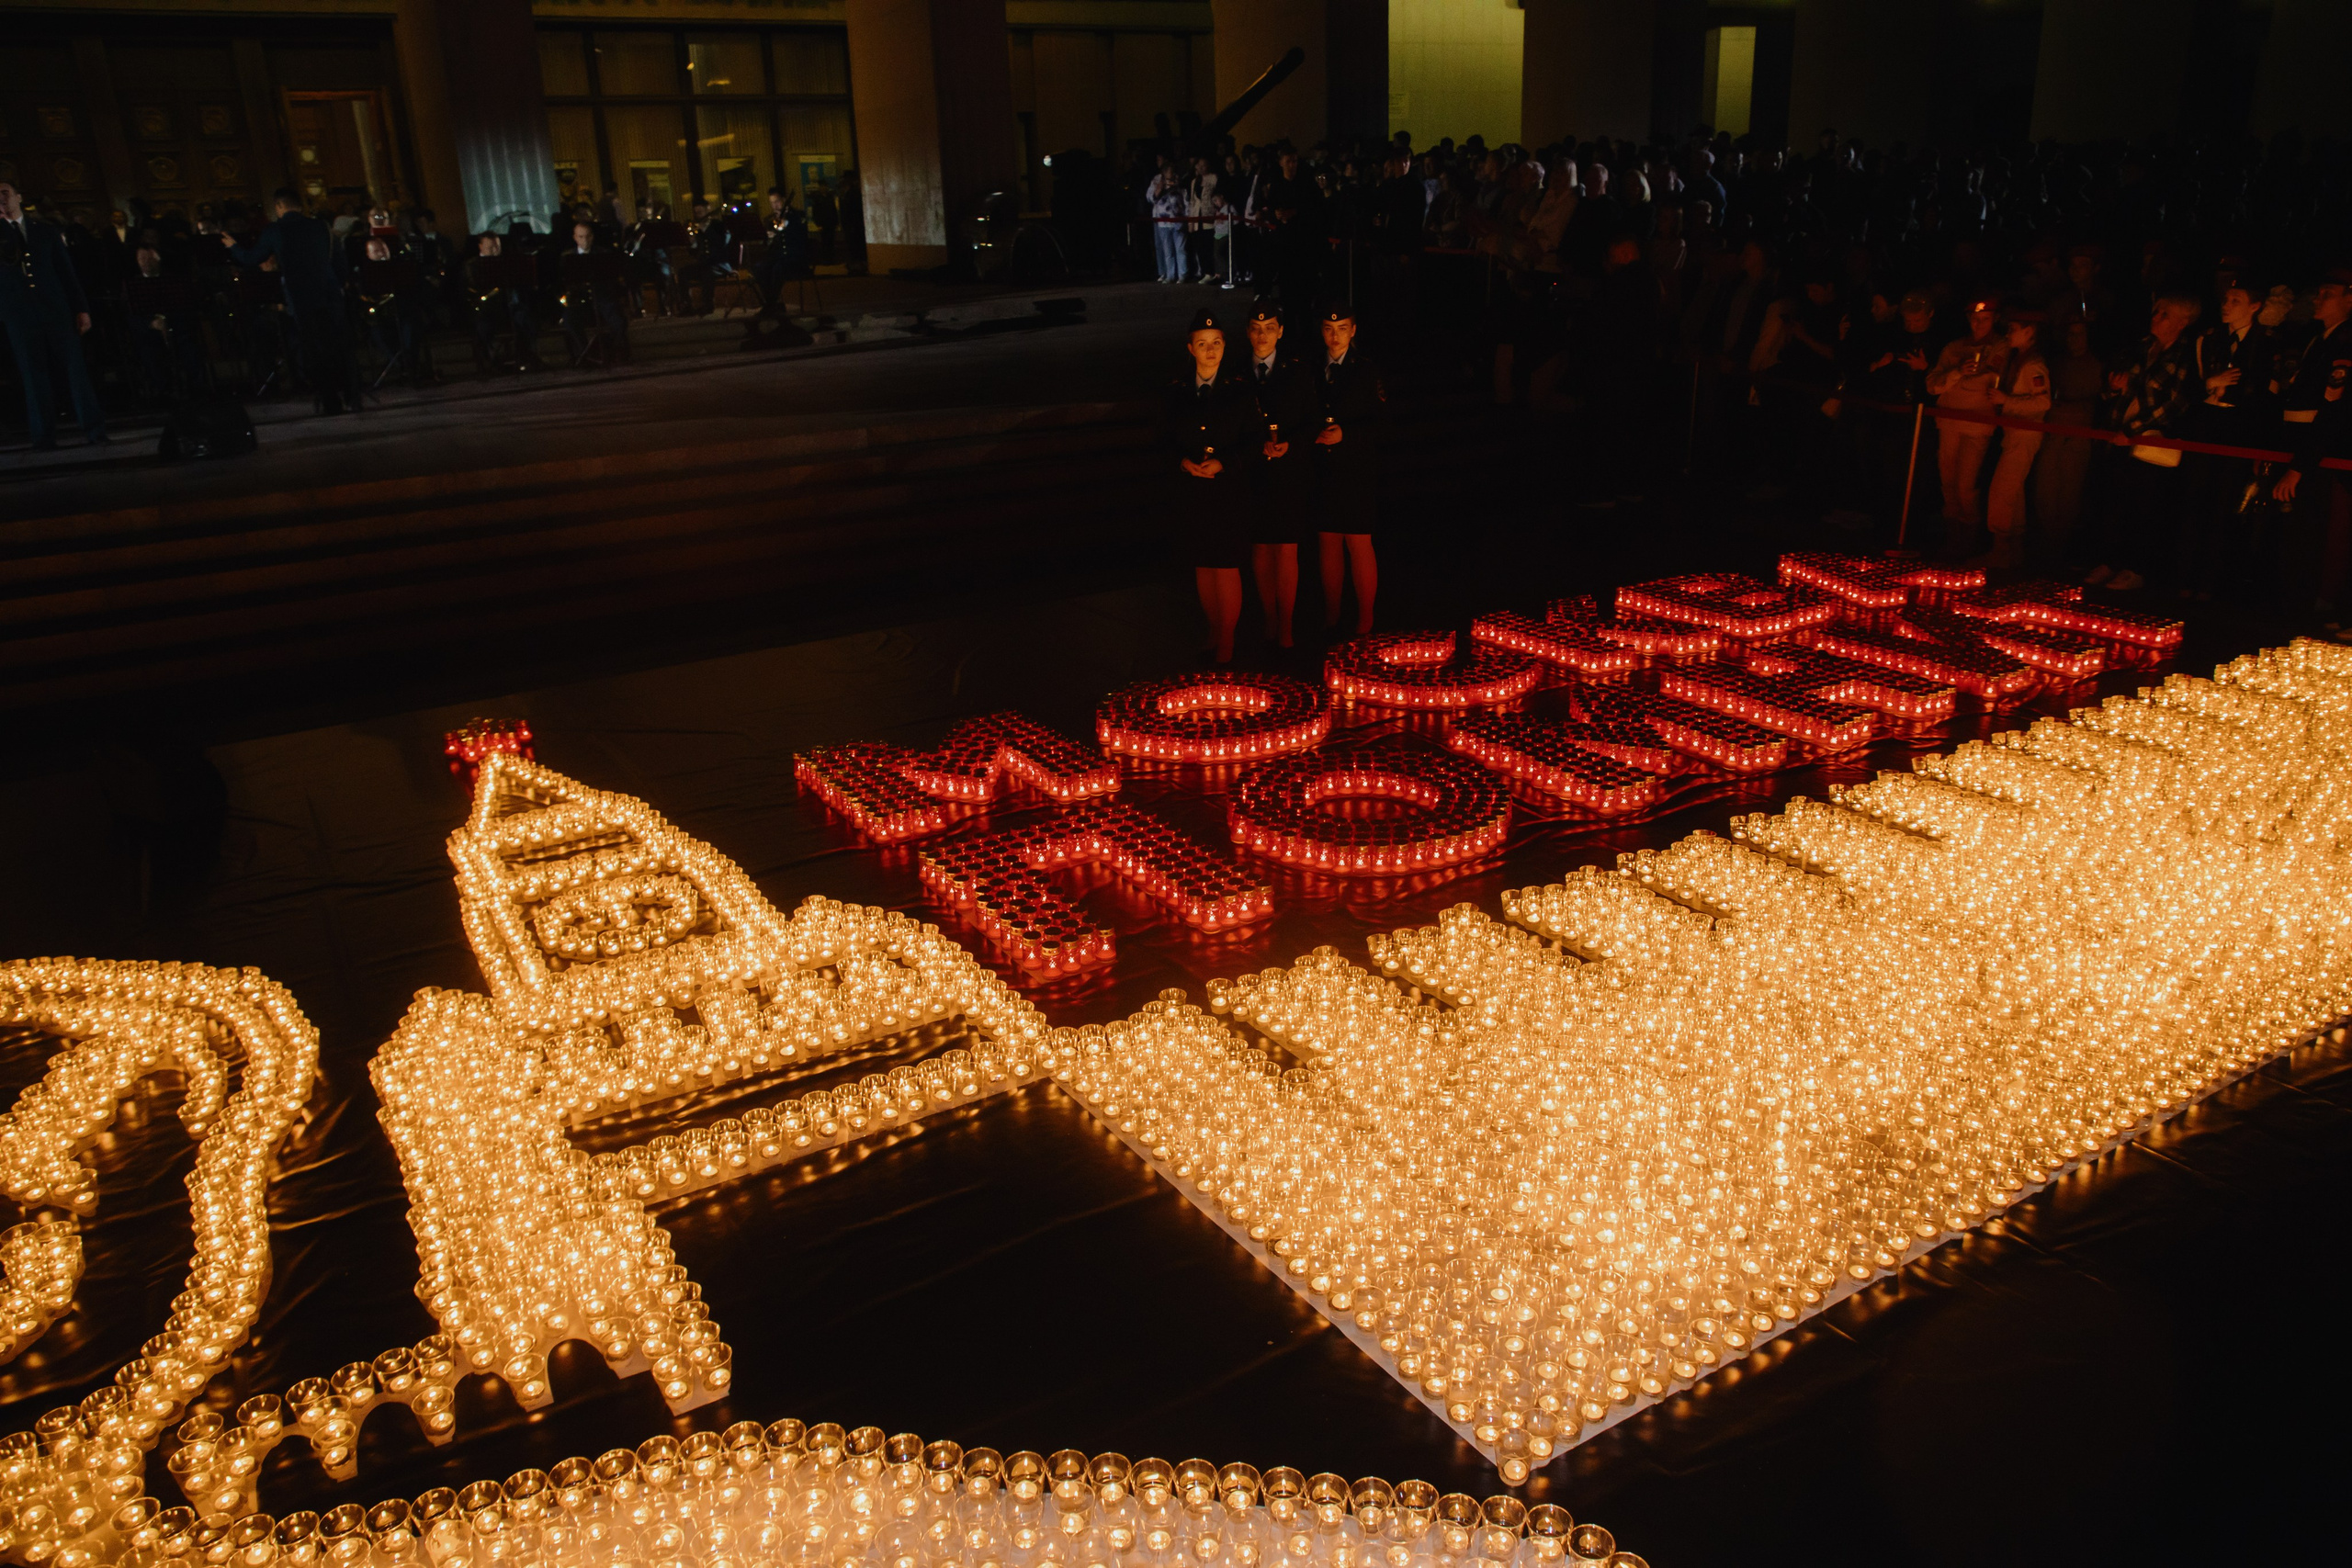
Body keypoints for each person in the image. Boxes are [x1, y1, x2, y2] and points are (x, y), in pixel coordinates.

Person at [2087, 291, 2204, 592]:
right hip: (2118, 437)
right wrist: (2114, 390)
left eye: (2164, 314)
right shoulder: (2141, 347)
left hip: (2150, 443)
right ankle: (2110, 561)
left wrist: (2134, 430)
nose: (2155, 317)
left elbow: (2176, 402)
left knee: (2144, 507)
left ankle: (2135, 567)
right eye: (2155, 311)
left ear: (2182, 321)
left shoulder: (2186, 354)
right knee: (2113, 501)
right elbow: (2111, 390)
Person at [1165, 309, 1261, 663]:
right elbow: (1164, 439)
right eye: (1202, 344)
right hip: (1193, 493)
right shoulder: (1176, 392)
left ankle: (1228, 638)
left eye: (1216, 343)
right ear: (1190, 348)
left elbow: (1253, 442)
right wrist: (1182, 461)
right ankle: (1213, 630)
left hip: (1227, 492)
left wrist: (1224, 462)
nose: (1210, 351)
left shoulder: (1238, 391)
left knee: (1226, 565)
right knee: (1203, 564)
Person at [222, 186, 359, 414]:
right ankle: (351, 396)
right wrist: (340, 283)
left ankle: (330, 400)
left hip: (302, 297)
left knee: (314, 349)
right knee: (338, 346)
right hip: (329, 295)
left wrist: (233, 247)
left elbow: (252, 258)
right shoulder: (321, 227)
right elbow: (339, 261)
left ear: (279, 206)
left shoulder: (275, 230)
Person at [0, 180, 108, 449]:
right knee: (33, 376)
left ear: (18, 196)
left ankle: (94, 430)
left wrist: (81, 308)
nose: (2, 199)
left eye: (5, 194)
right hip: (19, 315)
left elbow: (66, 273)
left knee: (76, 371)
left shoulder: (45, 231)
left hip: (56, 311)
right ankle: (43, 437)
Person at [2275, 267, 2352, 623]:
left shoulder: (2345, 343)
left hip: (2327, 452)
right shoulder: (2320, 339)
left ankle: (2317, 600)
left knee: (2323, 534)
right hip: (2306, 445)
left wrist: (2299, 465)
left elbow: (2332, 410)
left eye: (2328, 293)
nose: (2318, 300)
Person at [1242, 299, 1317, 649]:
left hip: (1289, 472)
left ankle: (1286, 622)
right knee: (1261, 549)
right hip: (1254, 473)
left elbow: (1310, 419)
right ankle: (1269, 617)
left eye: (1269, 328)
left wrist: (1292, 444)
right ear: (1247, 332)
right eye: (1256, 329)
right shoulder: (1237, 373)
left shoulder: (1297, 371)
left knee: (1286, 548)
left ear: (1281, 331)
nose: (1262, 336)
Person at [1313, 300, 1383, 636]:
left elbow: (1381, 423)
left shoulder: (1365, 369)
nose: (1335, 336)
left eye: (1342, 329)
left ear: (1353, 330)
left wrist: (1348, 434)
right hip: (1323, 469)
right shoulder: (1312, 368)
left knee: (1358, 541)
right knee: (1328, 541)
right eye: (1328, 328)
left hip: (1356, 469)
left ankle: (1365, 616)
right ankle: (1332, 612)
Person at [1924, 296, 2009, 558]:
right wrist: (1958, 373)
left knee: (1966, 485)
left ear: (1994, 320)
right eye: (1974, 318)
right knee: (1947, 482)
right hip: (1949, 421)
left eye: (1984, 319)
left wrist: (1961, 381)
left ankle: (1969, 543)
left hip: (1977, 426)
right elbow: (1932, 386)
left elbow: (1990, 381)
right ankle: (1953, 540)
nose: (1978, 324)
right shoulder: (1954, 348)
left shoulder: (2000, 347)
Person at [1981, 310, 2050, 570]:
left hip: (2024, 434)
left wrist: (2006, 400)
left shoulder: (2033, 364)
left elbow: (2043, 401)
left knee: (2001, 491)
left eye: (2014, 328)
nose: (2008, 333)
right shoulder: (2019, 359)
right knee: (2013, 493)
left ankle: (2000, 552)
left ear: (2029, 332)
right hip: (2015, 433)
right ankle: (2014, 555)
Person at [2034, 310, 2105, 562]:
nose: (2072, 339)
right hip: (2053, 435)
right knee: (2045, 493)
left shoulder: (2096, 366)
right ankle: (2045, 548)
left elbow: (2095, 405)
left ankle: (2057, 552)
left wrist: (2066, 409)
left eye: (2078, 334)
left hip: (2076, 439)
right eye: (2070, 334)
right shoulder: (2058, 363)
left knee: (2067, 496)